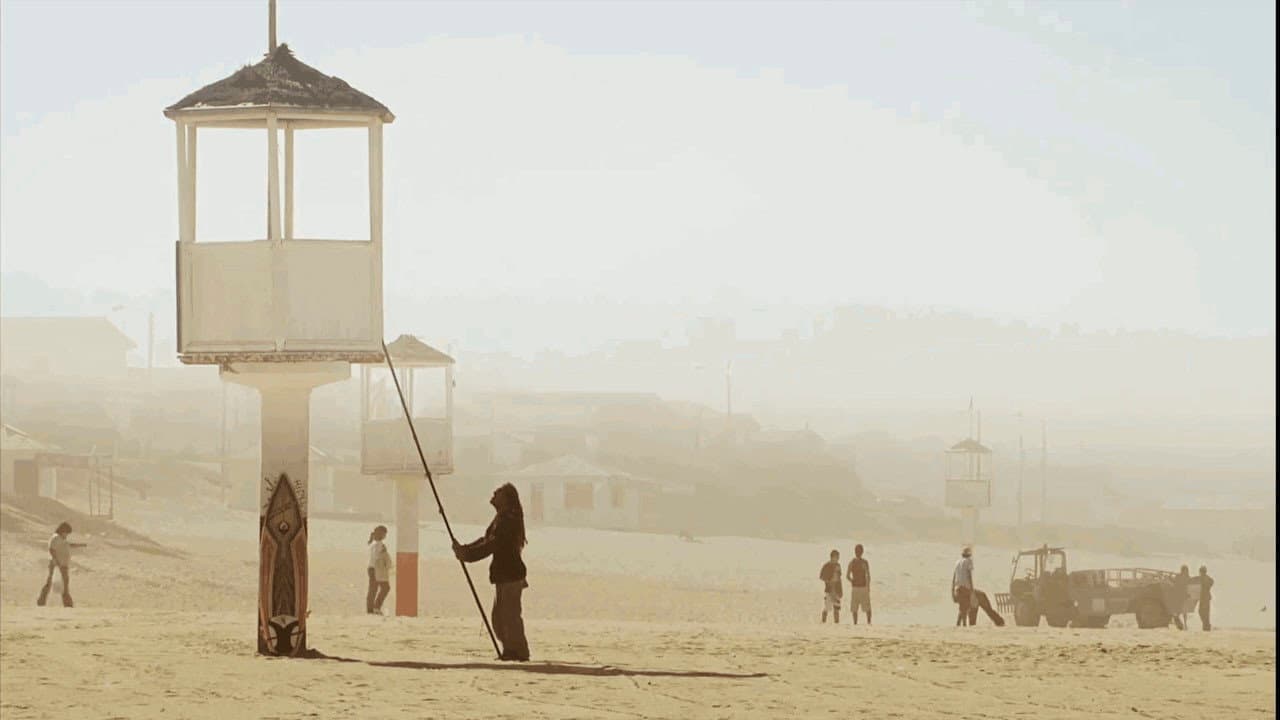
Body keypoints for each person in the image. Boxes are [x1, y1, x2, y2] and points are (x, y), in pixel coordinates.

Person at [454, 483, 530, 661]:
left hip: (510, 574)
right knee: (500, 616)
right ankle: (511, 649)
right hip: (505, 574)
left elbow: (492, 544)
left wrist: (466, 554)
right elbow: (487, 540)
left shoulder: (508, 520)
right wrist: (465, 550)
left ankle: (518, 652)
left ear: (506, 498)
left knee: (509, 615)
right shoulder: (502, 518)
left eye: (498, 493)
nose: (494, 494)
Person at [37, 522, 83, 608]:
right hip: (57, 565)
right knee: (54, 583)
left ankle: (67, 603)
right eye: (66, 533)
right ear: (63, 530)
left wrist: (79, 545)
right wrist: (56, 561)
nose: (67, 535)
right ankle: (42, 601)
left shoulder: (61, 539)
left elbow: (67, 545)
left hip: (62, 564)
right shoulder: (56, 538)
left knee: (62, 584)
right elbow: (52, 549)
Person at [366, 525, 392, 615]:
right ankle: (375, 608)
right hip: (376, 569)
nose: (385, 536)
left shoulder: (372, 543)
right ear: (382, 534)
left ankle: (371, 609)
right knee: (384, 588)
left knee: (373, 589)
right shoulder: (379, 544)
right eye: (385, 534)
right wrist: (384, 552)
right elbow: (378, 557)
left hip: (371, 568)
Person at [845, 544, 871, 625]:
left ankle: (856, 623)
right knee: (866, 607)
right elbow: (868, 575)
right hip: (862, 587)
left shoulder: (852, 562)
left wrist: (852, 581)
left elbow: (847, 576)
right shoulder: (864, 562)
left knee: (855, 607)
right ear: (862, 552)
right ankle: (868, 622)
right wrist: (868, 586)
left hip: (856, 587)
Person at [952, 546, 974, 626]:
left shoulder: (957, 562)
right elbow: (969, 575)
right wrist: (972, 588)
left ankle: (959, 623)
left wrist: (952, 590)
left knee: (962, 607)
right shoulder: (969, 561)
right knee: (966, 606)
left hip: (957, 587)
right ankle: (963, 624)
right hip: (965, 587)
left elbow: (954, 576)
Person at [819, 549, 843, 623]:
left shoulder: (838, 565)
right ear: (832, 557)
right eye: (837, 557)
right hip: (829, 589)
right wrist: (828, 581)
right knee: (827, 607)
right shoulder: (827, 565)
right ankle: (823, 622)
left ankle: (837, 623)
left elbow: (839, 578)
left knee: (837, 607)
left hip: (837, 588)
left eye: (838, 557)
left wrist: (841, 590)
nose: (838, 559)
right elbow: (821, 576)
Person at [1197, 565, 1214, 631]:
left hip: (1205, 598)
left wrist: (1207, 587)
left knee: (1202, 612)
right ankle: (1206, 625)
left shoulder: (1204, 578)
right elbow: (1212, 581)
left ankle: (1206, 626)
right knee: (1204, 612)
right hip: (1204, 597)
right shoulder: (1206, 578)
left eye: (1200, 571)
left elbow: (1211, 582)